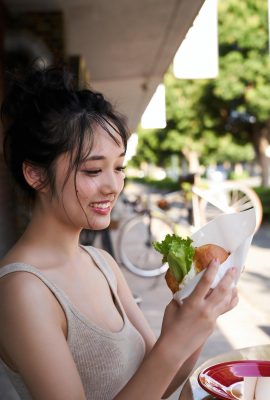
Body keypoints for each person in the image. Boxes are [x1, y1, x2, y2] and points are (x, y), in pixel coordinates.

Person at [0, 65, 238, 400]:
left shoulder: (103, 263)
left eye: (119, 167)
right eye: (94, 170)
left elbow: (160, 382)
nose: (113, 186)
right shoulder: (22, 290)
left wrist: (198, 321)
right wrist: (175, 342)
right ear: (36, 175)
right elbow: (166, 357)